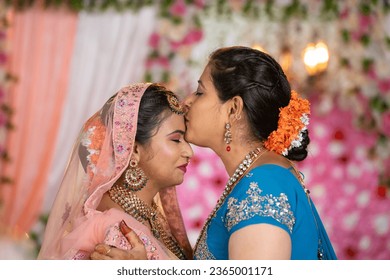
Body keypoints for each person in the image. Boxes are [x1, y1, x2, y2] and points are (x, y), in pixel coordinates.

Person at [91, 46, 338, 260]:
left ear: (233, 109)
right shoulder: (262, 176)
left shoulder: (263, 187)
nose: (187, 101)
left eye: (200, 92)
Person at [37, 83, 194, 260]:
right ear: (134, 150)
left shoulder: (149, 217)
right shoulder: (117, 233)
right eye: (176, 140)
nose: (189, 152)